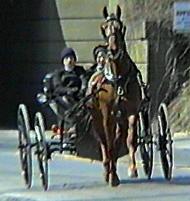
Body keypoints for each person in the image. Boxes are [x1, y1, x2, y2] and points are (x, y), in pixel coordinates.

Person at [42, 47, 86, 146]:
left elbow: (84, 81)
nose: (70, 61)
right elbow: (58, 87)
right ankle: (69, 131)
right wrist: (69, 91)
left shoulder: (80, 71)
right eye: (67, 58)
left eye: (71, 58)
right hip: (63, 98)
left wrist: (82, 89)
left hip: (79, 97)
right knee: (67, 103)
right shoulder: (58, 73)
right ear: (63, 61)